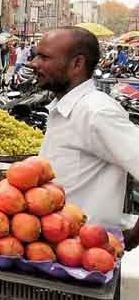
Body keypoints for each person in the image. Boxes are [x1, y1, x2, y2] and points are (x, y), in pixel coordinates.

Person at [32, 27, 139, 248]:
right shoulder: (64, 109)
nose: (34, 63)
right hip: (57, 252)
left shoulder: (96, 112)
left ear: (77, 64)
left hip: (86, 257)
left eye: (44, 57)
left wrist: (131, 239)